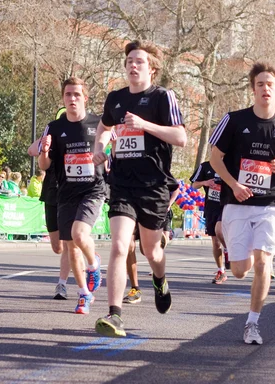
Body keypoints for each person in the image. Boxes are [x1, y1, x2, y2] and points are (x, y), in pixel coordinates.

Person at [92, 40, 186, 337]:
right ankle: (114, 314)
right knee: (120, 246)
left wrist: (144, 124)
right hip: (121, 183)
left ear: (152, 69)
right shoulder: (115, 99)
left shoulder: (162, 97)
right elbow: (105, 128)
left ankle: (159, 279)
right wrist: (100, 147)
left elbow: (181, 137)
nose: (132, 65)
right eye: (129, 61)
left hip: (154, 186)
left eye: (139, 61)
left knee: (151, 250)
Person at [208, 61, 275, 345]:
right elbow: (215, 159)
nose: (265, 89)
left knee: (263, 263)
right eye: (260, 84)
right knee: (239, 271)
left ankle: (252, 324)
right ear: (253, 89)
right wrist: (234, 185)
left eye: (270, 84)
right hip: (237, 202)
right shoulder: (234, 120)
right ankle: (227, 239)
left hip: (271, 204)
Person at [39, 77, 105, 315]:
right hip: (65, 192)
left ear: (85, 98)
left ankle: (94, 263)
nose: (72, 99)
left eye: (77, 95)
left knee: (79, 234)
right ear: (63, 98)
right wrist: (44, 152)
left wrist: (109, 159)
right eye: (68, 95)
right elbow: (44, 165)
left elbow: (114, 145)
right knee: (70, 246)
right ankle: (84, 294)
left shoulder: (99, 123)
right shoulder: (54, 127)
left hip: (93, 189)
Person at [28, 129, 66, 300]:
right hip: (51, 193)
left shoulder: (77, 140)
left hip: (70, 193)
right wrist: (45, 141)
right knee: (57, 248)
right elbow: (31, 150)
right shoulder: (50, 140)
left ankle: (62, 284)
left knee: (72, 241)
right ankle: (77, 252)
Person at [190, 160, 228, 284]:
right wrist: (206, 182)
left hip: (227, 206)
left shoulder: (231, 164)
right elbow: (194, 185)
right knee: (216, 243)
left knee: (219, 230)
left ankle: (228, 250)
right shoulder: (205, 166)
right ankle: (221, 271)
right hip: (211, 207)